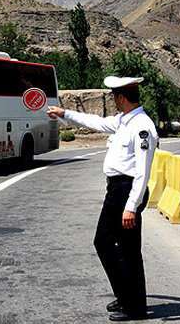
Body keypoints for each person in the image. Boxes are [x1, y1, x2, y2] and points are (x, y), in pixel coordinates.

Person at [47, 76, 158, 322]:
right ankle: (129, 299)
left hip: (125, 192)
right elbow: (95, 121)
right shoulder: (123, 121)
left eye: (114, 96)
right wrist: (65, 112)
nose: (114, 101)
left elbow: (143, 171)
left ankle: (133, 306)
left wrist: (131, 206)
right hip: (117, 191)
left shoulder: (142, 126)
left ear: (121, 97)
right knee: (120, 247)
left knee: (114, 245)